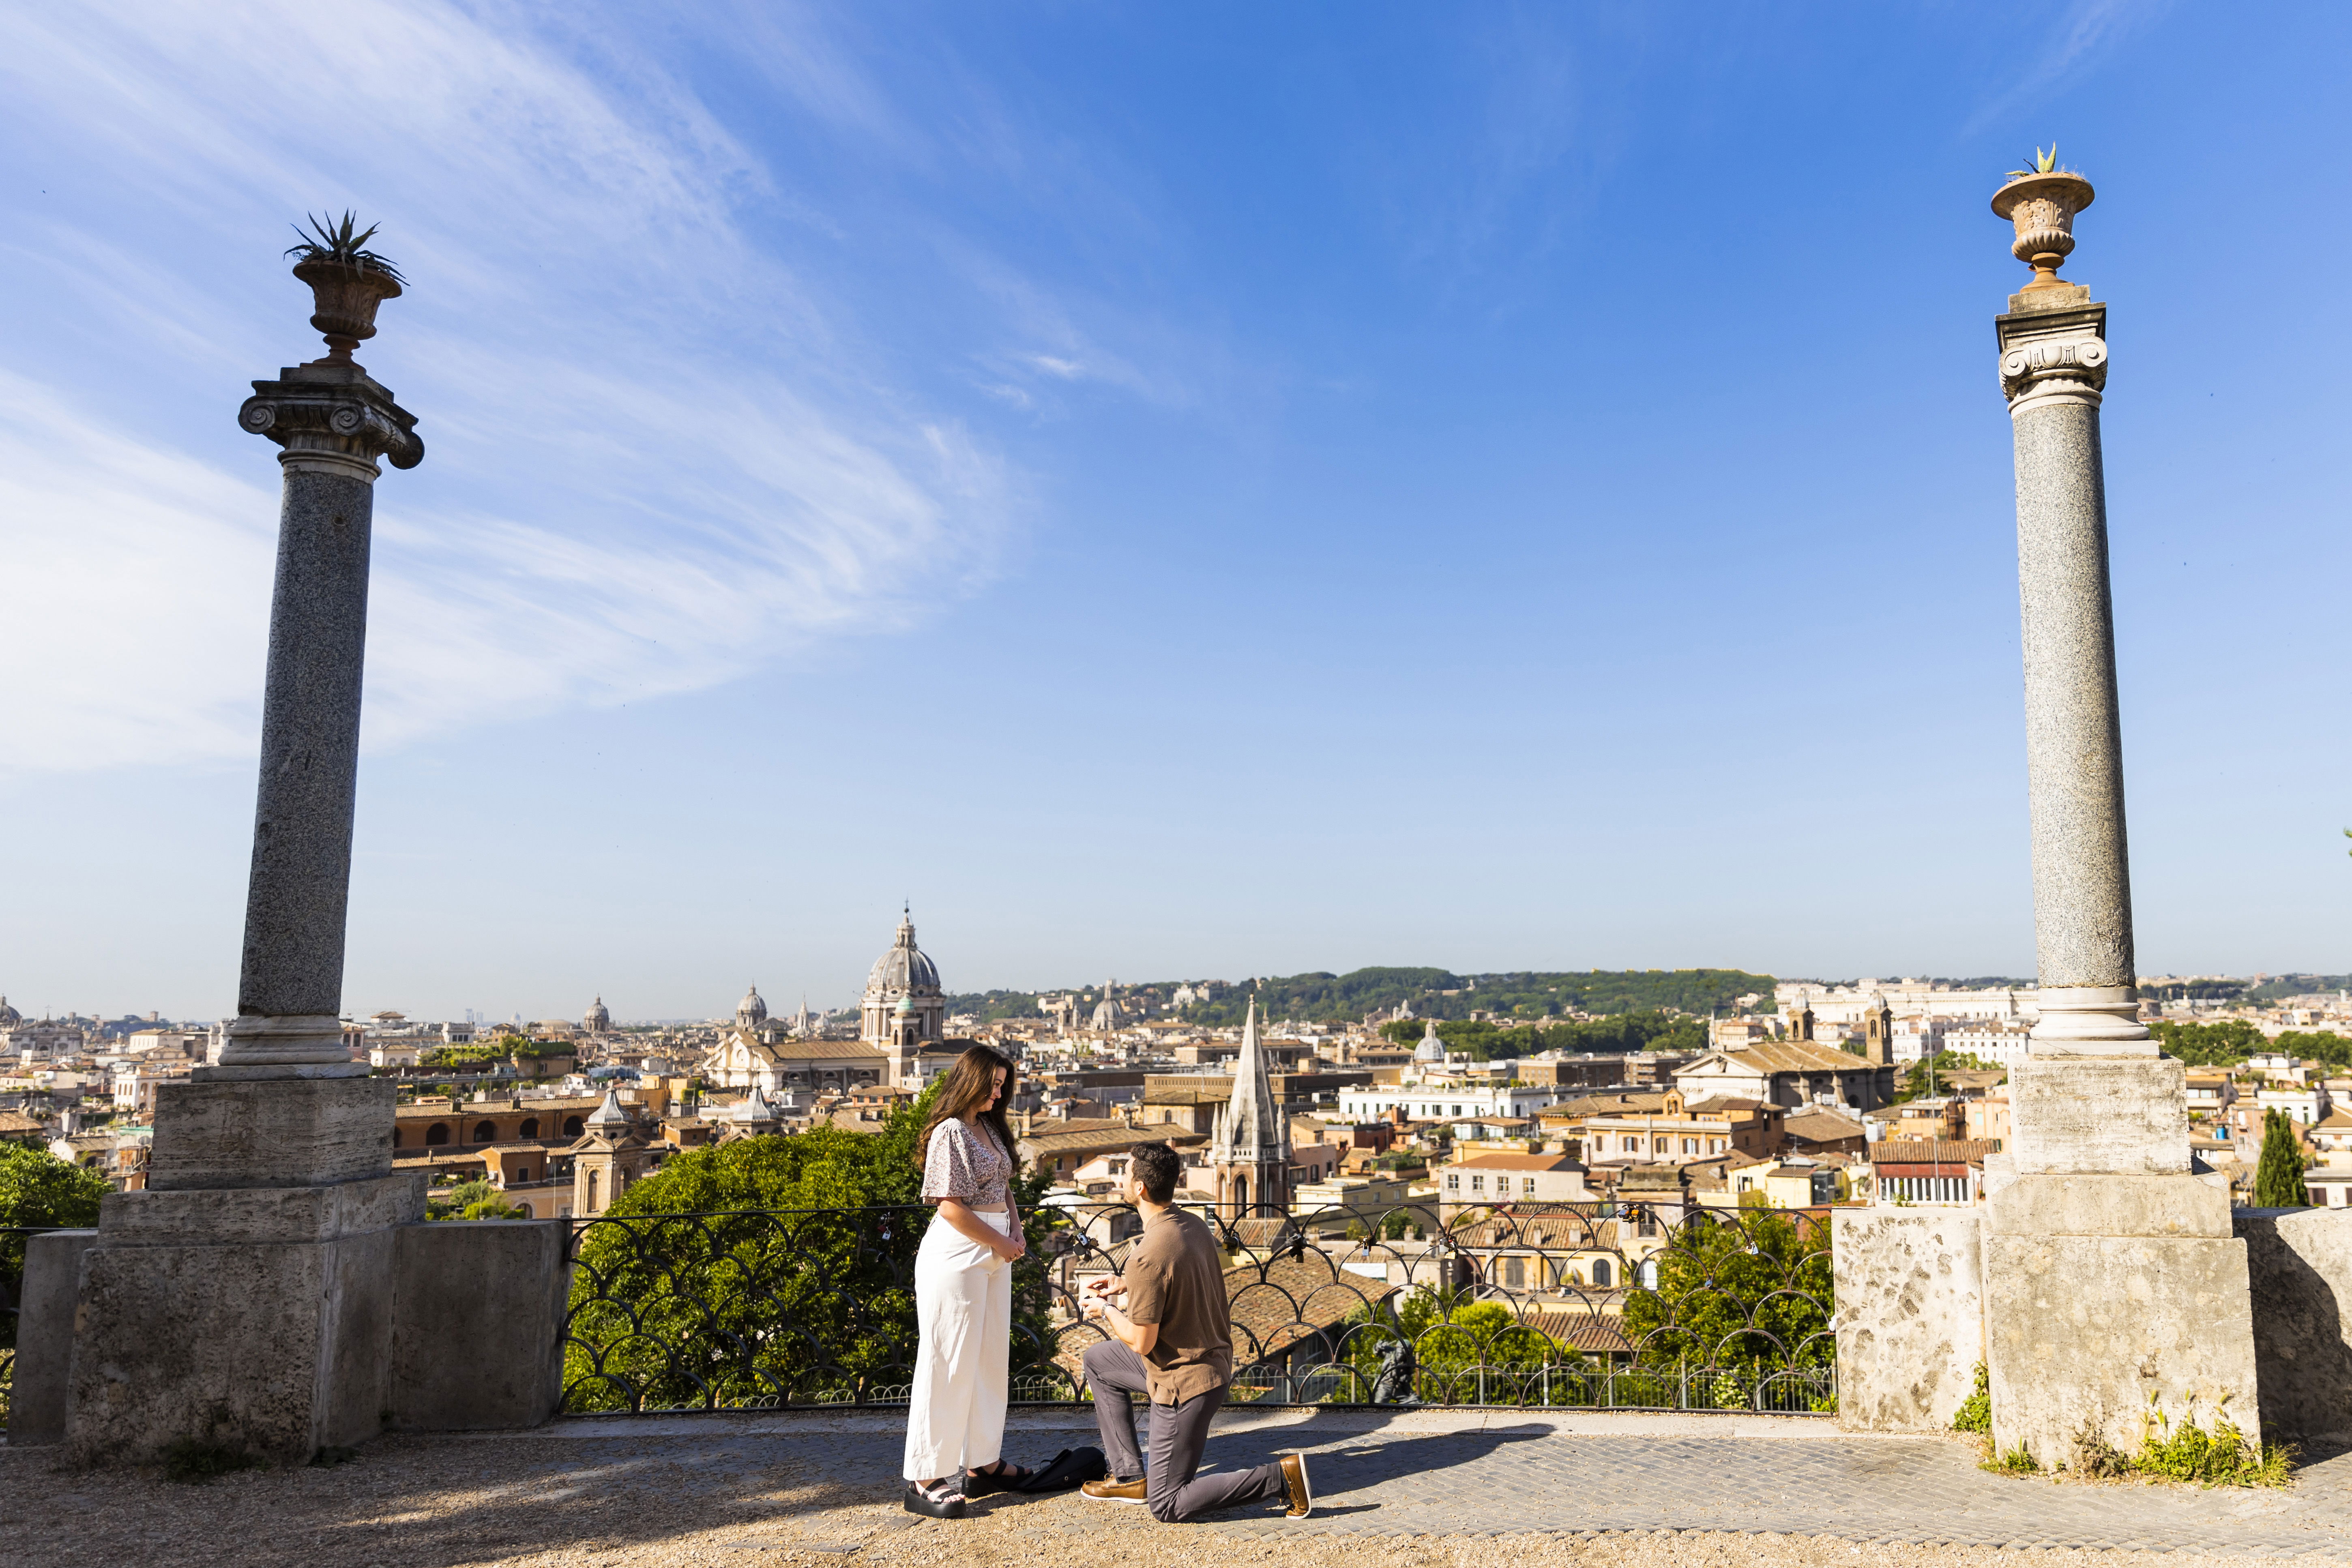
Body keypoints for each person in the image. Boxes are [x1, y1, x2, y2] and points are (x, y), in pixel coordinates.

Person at [1077, 1141, 1313, 1522]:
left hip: (1184, 1383)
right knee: (1099, 1360)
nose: (1121, 1178)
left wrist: (1104, 1308)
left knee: (1167, 1505)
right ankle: (1130, 1475)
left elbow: (1141, 1340)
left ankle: (1280, 1478)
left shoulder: (1147, 1255)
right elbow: (1177, 1280)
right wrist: (1127, 1285)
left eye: (1126, 1173)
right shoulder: (1192, 1224)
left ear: (1139, 1187)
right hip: (1209, 1361)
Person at [902, 1044, 1035, 1518]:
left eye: (1003, 1086)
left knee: (987, 1360)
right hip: (958, 1253)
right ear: (970, 1081)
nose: (999, 1094)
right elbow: (949, 1205)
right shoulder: (950, 1131)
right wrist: (1000, 1242)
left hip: (995, 1249)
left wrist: (1014, 1230)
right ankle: (923, 1477)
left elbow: (1003, 1186)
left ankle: (982, 1463)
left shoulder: (988, 1129)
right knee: (947, 1361)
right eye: (993, 1084)